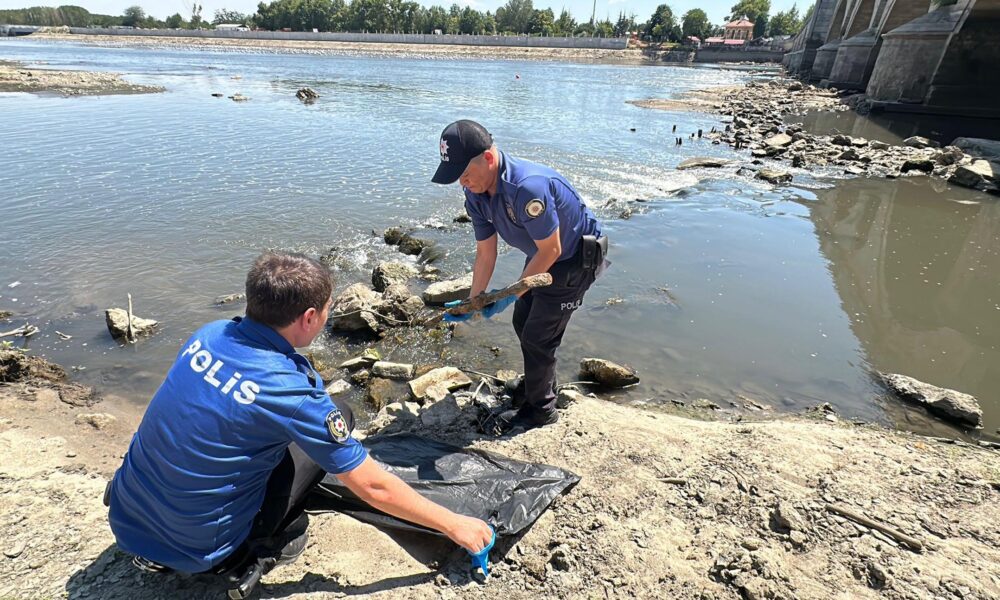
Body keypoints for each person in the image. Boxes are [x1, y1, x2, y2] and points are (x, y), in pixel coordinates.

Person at [106, 252, 492, 594]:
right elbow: (372, 486)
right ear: (309, 317)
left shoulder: (208, 335)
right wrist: (454, 524)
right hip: (201, 551)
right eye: (326, 309)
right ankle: (258, 546)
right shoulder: (290, 389)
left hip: (125, 518)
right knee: (340, 414)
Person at [431, 120, 606, 434]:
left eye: (464, 173)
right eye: (457, 175)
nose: (462, 182)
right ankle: (538, 386)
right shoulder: (476, 193)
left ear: (488, 158)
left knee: (539, 336)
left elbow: (552, 250)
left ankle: (541, 411)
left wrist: (511, 294)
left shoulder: (527, 188)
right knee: (522, 322)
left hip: (574, 259)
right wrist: (474, 300)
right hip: (542, 253)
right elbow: (486, 253)